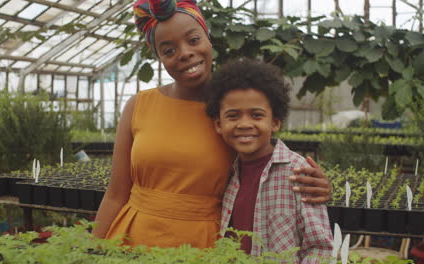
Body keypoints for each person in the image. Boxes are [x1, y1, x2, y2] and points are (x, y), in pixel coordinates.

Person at [91, 0, 332, 249]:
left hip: (203, 246)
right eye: (169, 50)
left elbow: (267, 166)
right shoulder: (138, 105)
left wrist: (316, 188)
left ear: (208, 38)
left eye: (193, 40)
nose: (184, 53)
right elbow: (116, 193)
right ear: (159, 57)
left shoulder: (234, 112)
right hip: (131, 239)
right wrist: (88, 250)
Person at [205, 58, 333, 263]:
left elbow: (319, 247)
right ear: (218, 124)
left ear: (275, 122)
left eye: (256, 115)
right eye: (233, 115)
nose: (244, 124)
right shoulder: (226, 171)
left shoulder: (298, 172)